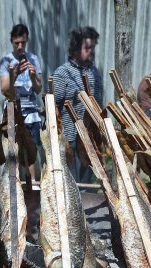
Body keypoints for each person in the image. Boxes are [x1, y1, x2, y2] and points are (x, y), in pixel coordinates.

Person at [52, 26, 103, 182]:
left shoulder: (94, 72)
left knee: (88, 184)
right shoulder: (62, 73)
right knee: (72, 183)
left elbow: (98, 104)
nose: (91, 51)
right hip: (70, 138)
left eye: (93, 48)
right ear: (75, 49)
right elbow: (53, 106)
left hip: (90, 137)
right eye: (87, 48)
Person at [0, 23, 43, 143]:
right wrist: (14, 74)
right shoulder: (6, 60)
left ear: (27, 40)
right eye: (16, 43)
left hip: (31, 113)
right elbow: (4, 90)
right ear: (11, 41)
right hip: (12, 111)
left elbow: (38, 89)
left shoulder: (33, 59)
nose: (19, 46)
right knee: (13, 156)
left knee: (31, 157)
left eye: (22, 43)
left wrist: (33, 77)